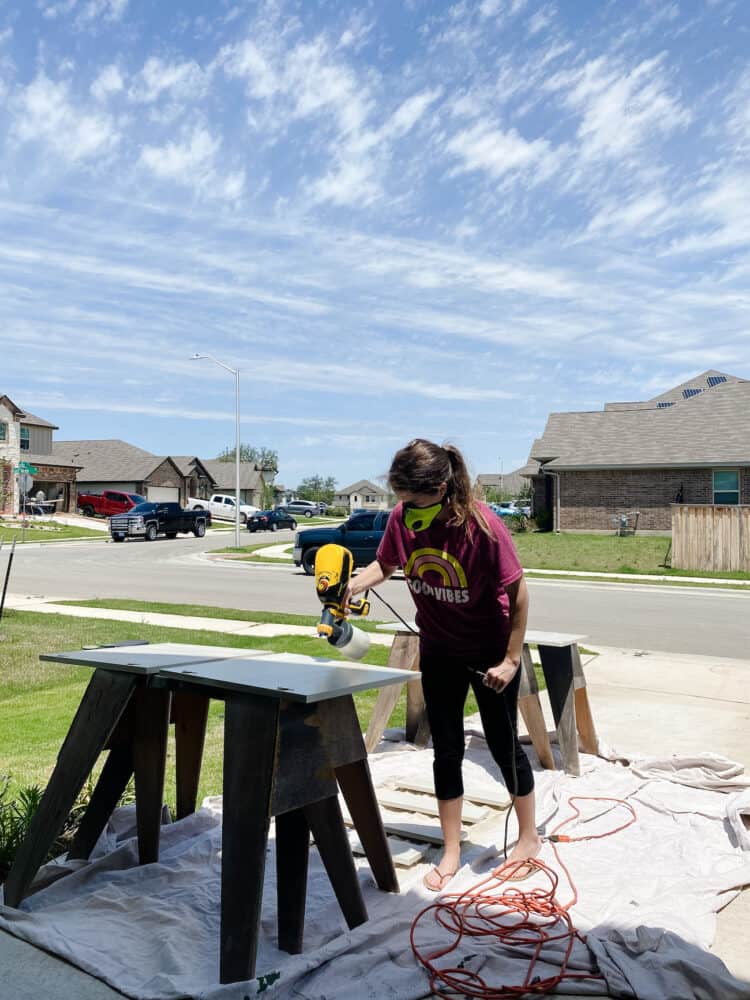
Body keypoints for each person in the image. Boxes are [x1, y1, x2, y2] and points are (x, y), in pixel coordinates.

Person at [347, 438, 540, 892]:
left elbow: (520, 594)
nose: (404, 506)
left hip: (490, 651)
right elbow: (386, 563)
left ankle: (528, 838)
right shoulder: (402, 519)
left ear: (439, 486)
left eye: (411, 498)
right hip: (438, 648)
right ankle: (452, 849)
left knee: (502, 744)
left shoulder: (483, 527)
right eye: (399, 498)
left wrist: (511, 660)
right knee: (446, 748)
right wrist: (354, 585)